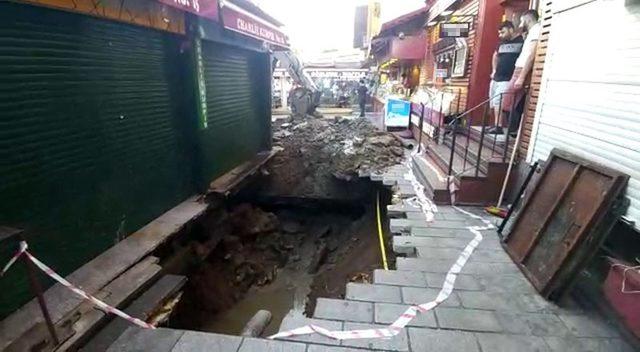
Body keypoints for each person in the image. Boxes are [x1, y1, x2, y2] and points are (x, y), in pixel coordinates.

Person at [502, 9, 541, 135]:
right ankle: (513, 130)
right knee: (513, 100)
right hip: (519, 68)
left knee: (508, 99)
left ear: (528, 20)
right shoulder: (531, 33)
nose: (520, 25)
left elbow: (531, 55)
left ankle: (513, 130)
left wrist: (522, 76)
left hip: (522, 70)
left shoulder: (536, 31)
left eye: (522, 21)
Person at [487, 21, 523, 135]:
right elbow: (495, 56)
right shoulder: (501, 43)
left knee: (500, 101)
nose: (500, 35)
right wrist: (493, 70)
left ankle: (499, 126)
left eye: (503, 32)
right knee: (494, 101)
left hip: (508, 78)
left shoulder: (521, 42)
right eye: (499, 33)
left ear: (511, 29)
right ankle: (496, 124)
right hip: (497, 77)